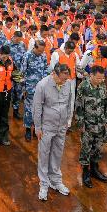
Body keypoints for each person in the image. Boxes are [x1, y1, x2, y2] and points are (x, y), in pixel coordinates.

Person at [33, 64, 76, 201]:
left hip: (61, 126)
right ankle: (44, 184)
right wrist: (38, 127)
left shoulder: (68, 84)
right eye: (61, 79)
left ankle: (56, 181)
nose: (64, 82)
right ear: (54, 74)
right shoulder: (42, 85)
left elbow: (69, 102)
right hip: (47, 126)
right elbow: (37, 107)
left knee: (57, 153)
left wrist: (68, 121)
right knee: (44, 154)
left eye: (66, 79)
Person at [74, 66, 107, 188]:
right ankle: (85, 172)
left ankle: (94, 169)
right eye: (98, 78)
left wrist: (106, 120)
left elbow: (105, 104)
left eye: (102, 78)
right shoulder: (83, 87)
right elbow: (78, 106)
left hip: (100, 124)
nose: (101, 80)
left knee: (98, 148)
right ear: (91, 75)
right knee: (86, 149)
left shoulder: (102, 86)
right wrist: (80, 123)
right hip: (88, 124)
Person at [20, 40, 49, 141]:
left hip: (41, 88)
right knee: (29, 109)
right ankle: (28, 129)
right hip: (30, 88)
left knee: (40, 109)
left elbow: (46, 69)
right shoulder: (27, 56)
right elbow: (22, 73)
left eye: (42, 51)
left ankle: (36, 129)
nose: (41, 53)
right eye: (39, 51)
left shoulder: (43, 55)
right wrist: (23, 88)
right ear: (35, 47)